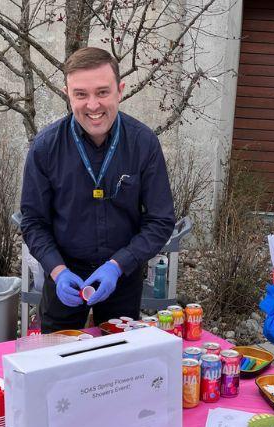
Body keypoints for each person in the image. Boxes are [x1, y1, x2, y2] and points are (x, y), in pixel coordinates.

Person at [21, 47, 175, 333]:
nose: (93, 105)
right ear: (68, 93)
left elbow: (160, 220)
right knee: (58, 366)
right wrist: (57, 270)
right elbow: (33, 222)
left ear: (120, 90)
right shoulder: (45, 148)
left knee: (118, 370)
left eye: (102, 92)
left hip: (122, 277)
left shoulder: (144, 144)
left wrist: (118, 265)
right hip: (63, 278)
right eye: (81, 94)